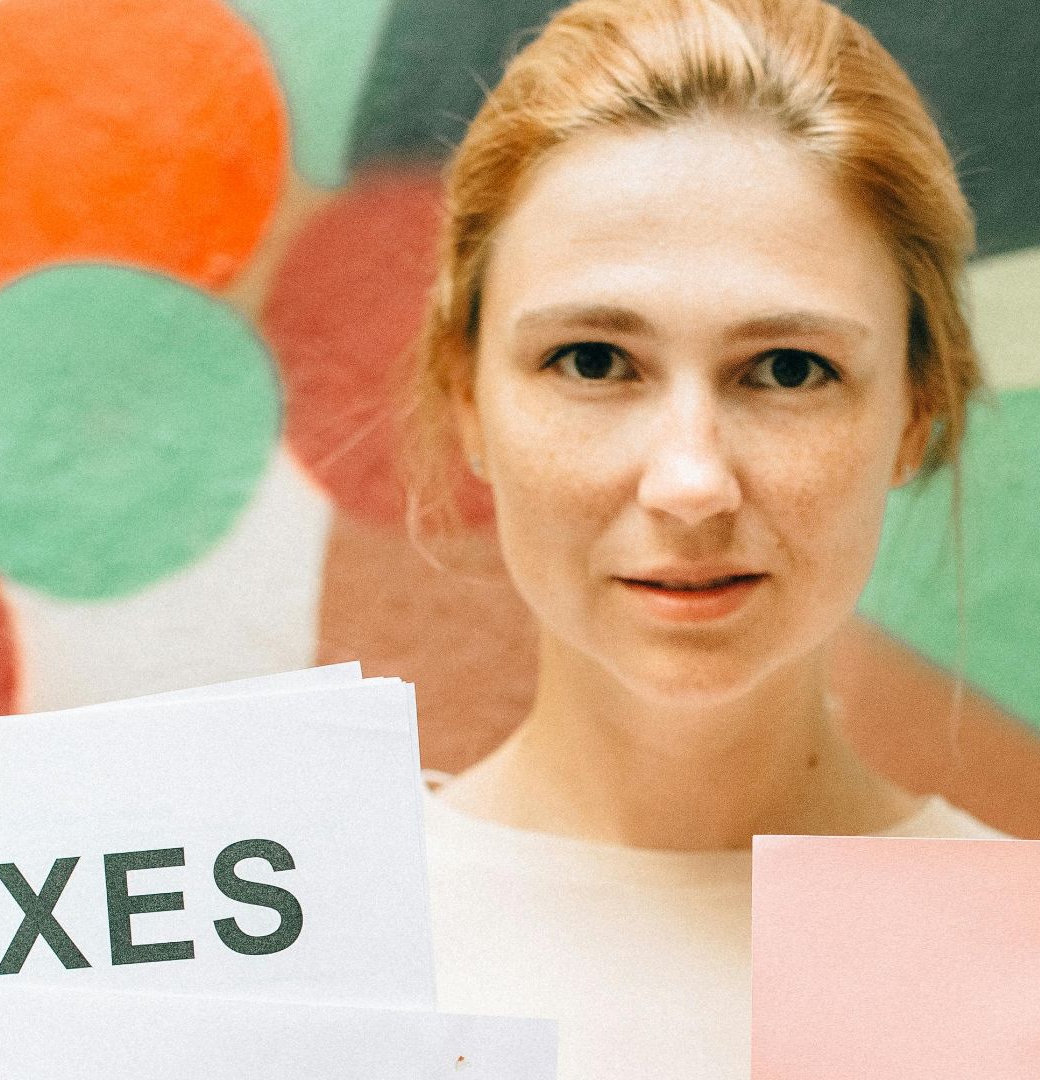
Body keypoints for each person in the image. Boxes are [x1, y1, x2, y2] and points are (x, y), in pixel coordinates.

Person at [397, 0, 1005, 1075]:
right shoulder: (291, 969)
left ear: (915, 409)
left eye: (786, 370)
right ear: (466, 398)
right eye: (592, 362)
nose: (690, 483)